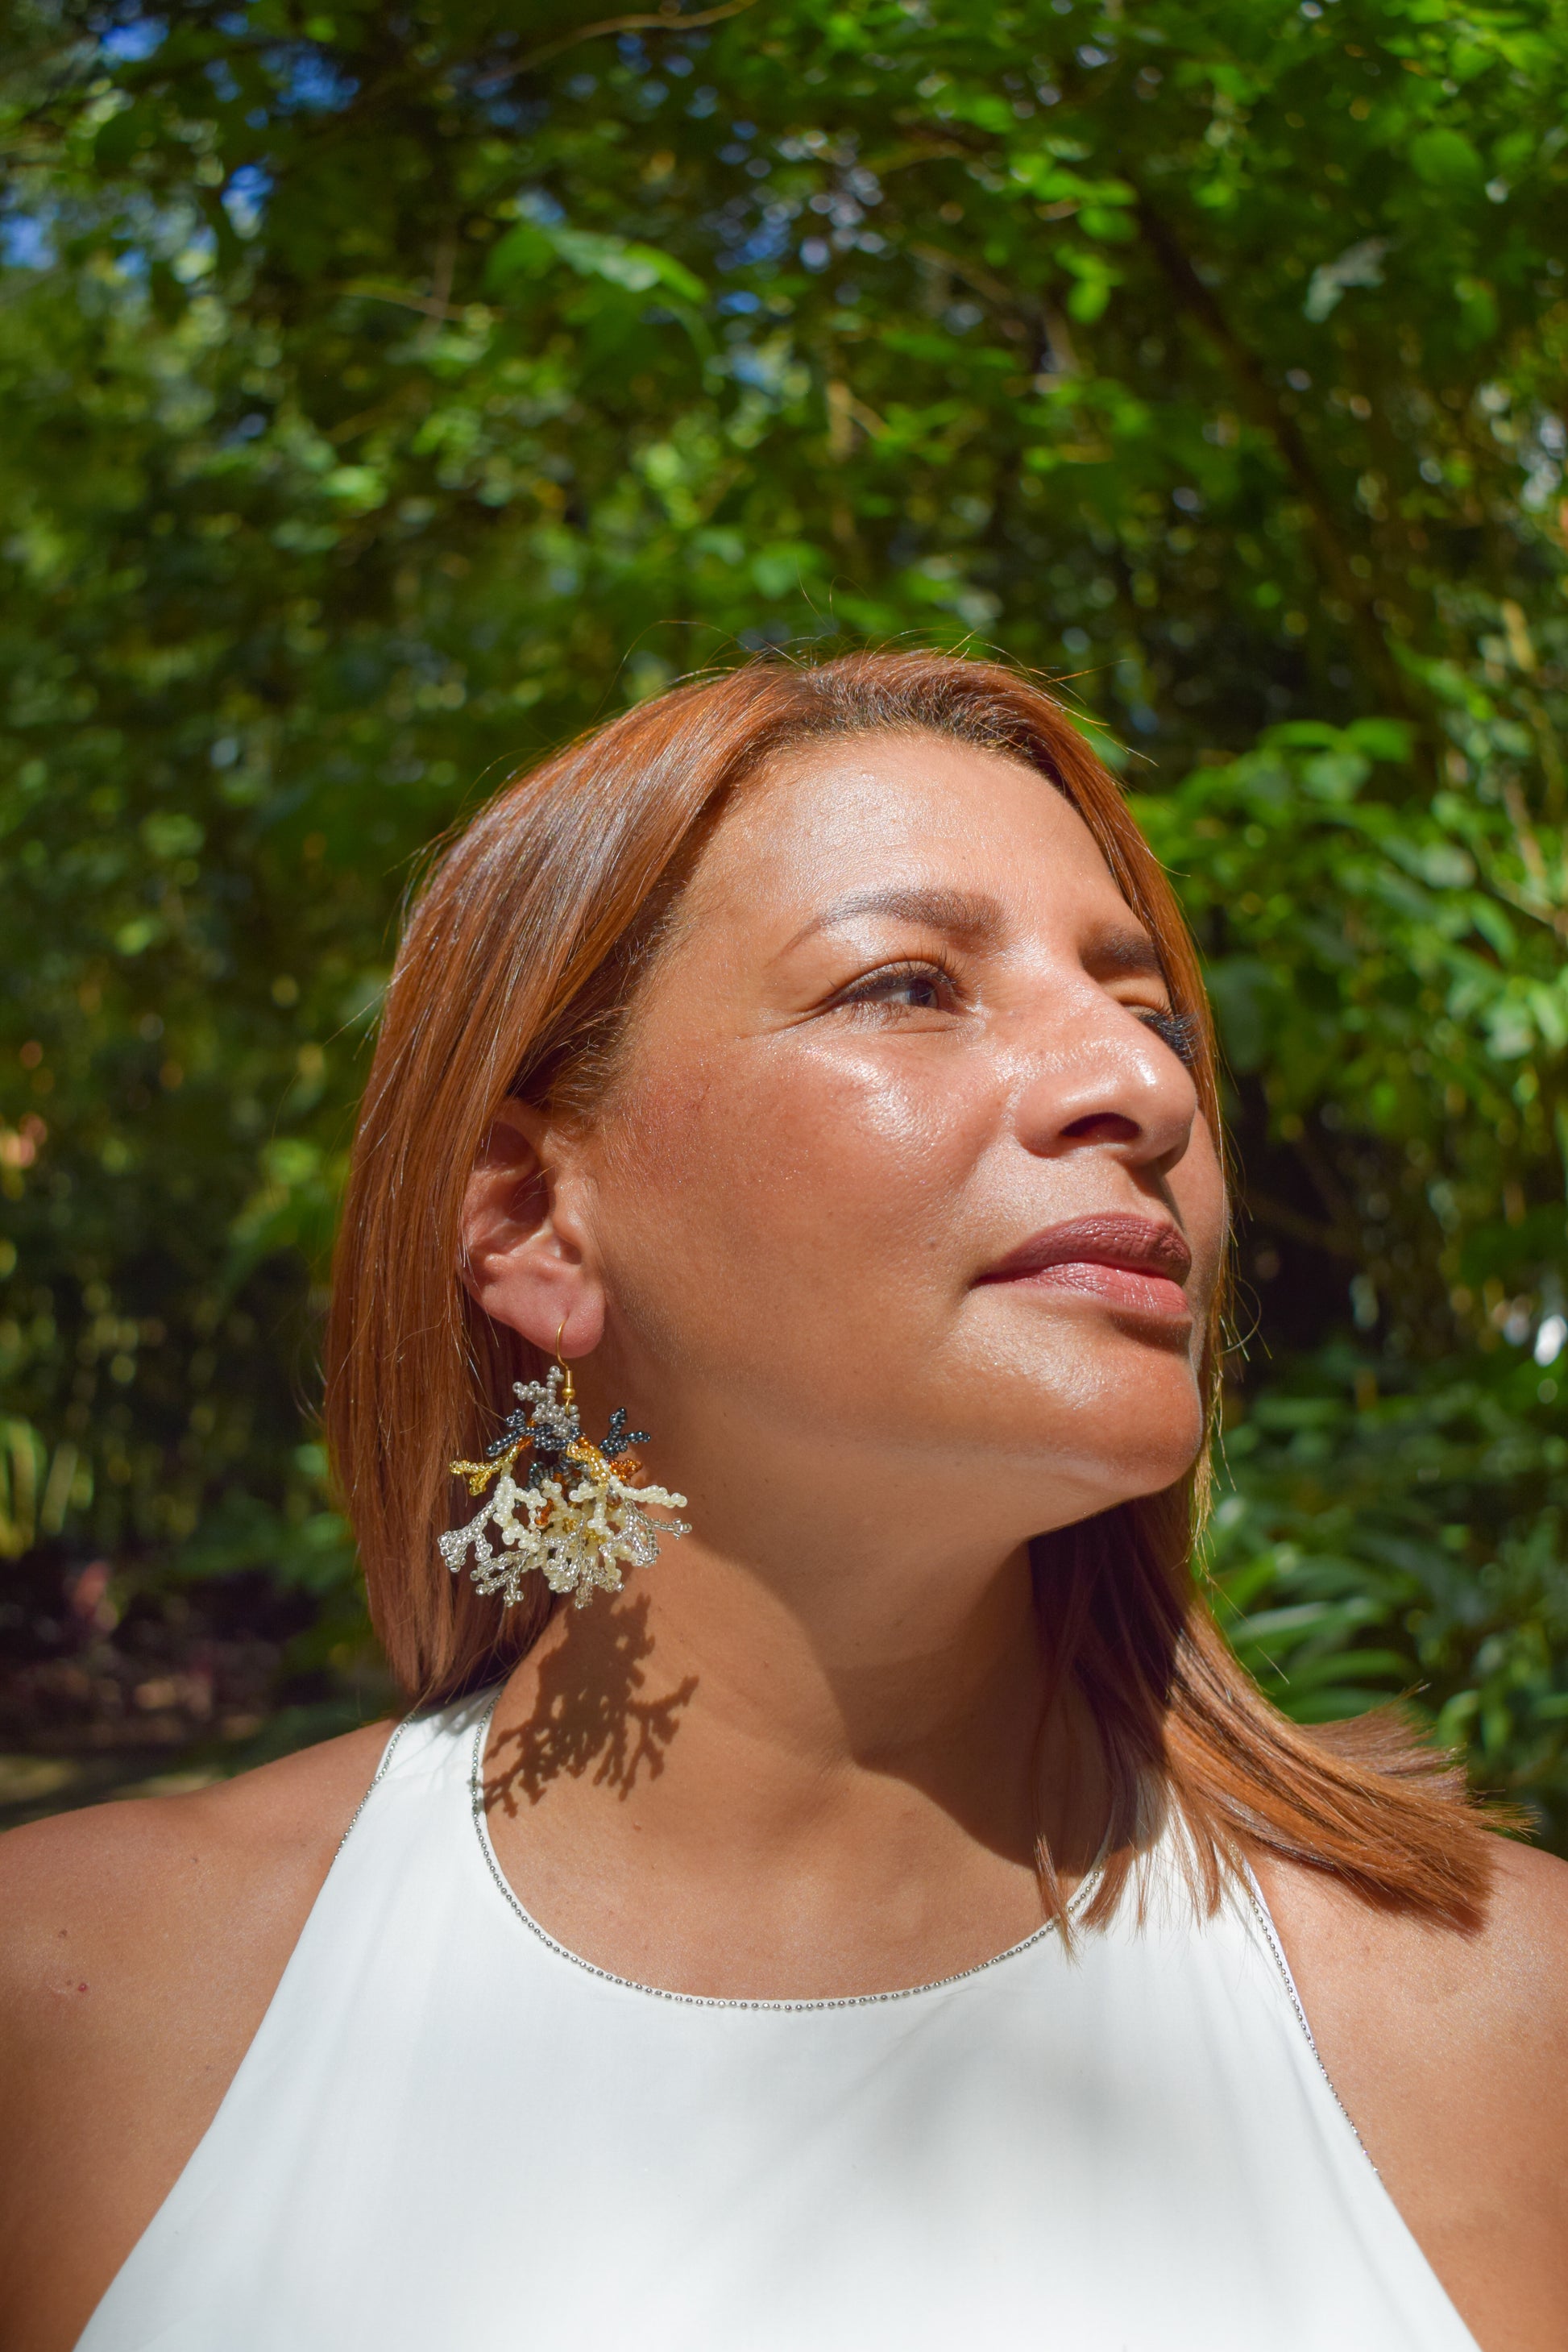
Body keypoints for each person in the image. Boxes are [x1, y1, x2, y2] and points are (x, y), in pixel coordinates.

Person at [1, 652, 1563, 2352]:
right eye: (906, 984)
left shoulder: (1501, 2029)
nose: (1148, 1085)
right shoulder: (73, 2016)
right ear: (532, 1217)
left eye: (1151, 1009)